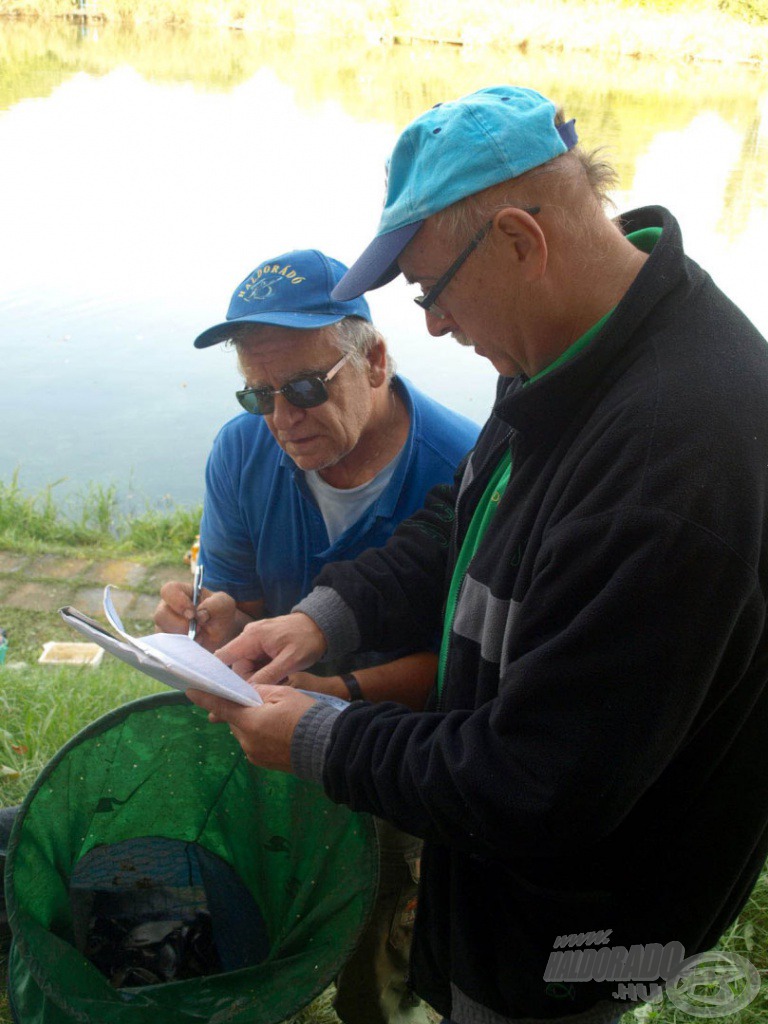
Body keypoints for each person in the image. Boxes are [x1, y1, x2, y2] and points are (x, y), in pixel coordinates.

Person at [186, 88, 768, 1024]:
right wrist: (318, 618)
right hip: (496, 882)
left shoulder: (673, 462)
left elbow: (537, 782)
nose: (432, 327)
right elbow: (462, 516)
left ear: (518, 242)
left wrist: (316, 736)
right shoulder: (564, 356)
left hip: (580, 927)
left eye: (431, 289)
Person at [155, 247, 480, 1024]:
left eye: (302, 388)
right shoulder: (242, 452)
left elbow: (467, 669)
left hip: (401, 752)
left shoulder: (463, 465)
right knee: (264, 879)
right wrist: (222, 617)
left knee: (379, 915)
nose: (281, 420)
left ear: (373, 360)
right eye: (257, 394)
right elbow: (242, 593)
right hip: (270, 722)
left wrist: (337, 696)